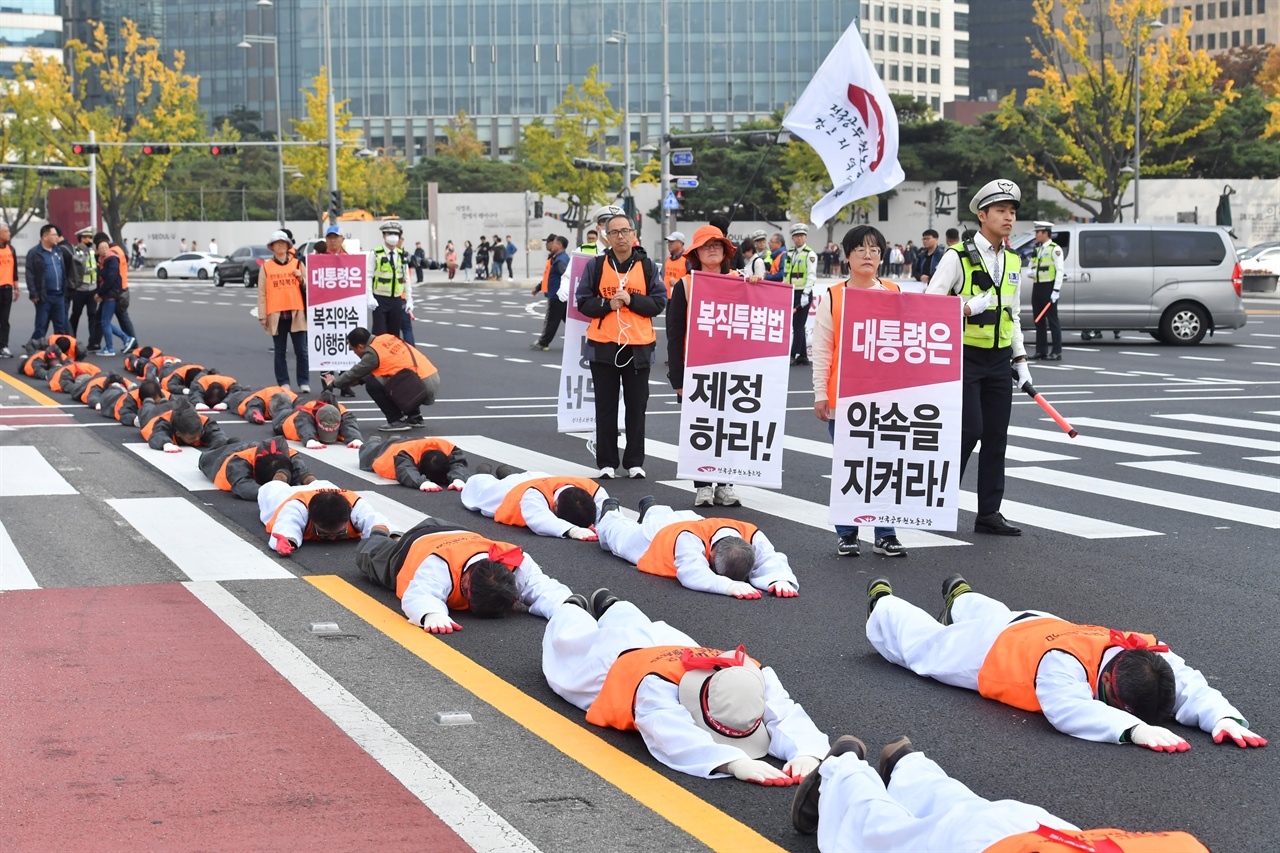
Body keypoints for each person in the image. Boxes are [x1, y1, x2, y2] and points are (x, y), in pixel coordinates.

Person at [863, 574, 1266, 751]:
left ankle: (962, 599)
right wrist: (1133, 730)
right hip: (992, 648)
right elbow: (1066, 709)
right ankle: (885, 605)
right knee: (926, 649)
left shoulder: (1147, 651)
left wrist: (1222, 718)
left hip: (1036, 623)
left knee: (997, 611)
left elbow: (1188, 683)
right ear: (1109, 685)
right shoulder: (1063, 665)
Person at [543, 594, 829, 782]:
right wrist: (731, 761)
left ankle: (613, 605)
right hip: (616, 658)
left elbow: (784, 711)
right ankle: (572, 606)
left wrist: (805, 751)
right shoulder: (655, 686)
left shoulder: (751, 674)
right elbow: (669, 734)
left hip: (670, 642)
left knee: (638, 623)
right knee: (569, 648)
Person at [789, 734, 1211, 853]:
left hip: (1045, 830)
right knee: (879, 833)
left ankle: (907, 766)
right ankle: (843, 768)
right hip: (988, 844)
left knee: (963, 807)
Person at [925, 180, 1031, 536]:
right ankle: (937, 502)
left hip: (1000, 360)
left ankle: (989, 513)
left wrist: (1021, 361)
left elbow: (1012, 314)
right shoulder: (957, 256)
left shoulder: (1014, 259)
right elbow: (929, 304)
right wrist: (966, 307)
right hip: (965, 358)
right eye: (1001, 211)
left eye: (1012, 212)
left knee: (996, 436)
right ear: (982, 215)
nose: (1009, 218)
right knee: (970, 429)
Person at [811, 225, 909, 559]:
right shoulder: (834, 296)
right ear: (847, 255)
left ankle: (885, 533)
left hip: (887, 401)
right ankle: (847, 533)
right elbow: (823, 349)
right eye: (861, 250)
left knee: (886, 467)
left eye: (875, 250)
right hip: (845, 400)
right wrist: (819, 393)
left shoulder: (895, 292)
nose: (868, 256)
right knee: (850, 467)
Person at [575, 213, 668, 479]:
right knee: (605, 407)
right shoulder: (596, 266)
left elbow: (659, 303)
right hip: (603, 345)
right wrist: (608, 305)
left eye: (625, 231)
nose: (621, 236)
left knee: (636, 406)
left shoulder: (648, 266)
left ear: (634, 233)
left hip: (639, 345)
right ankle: (606, 462)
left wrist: (631, 301)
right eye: (614, 232)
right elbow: (583, 302)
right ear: (606, 236)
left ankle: (635, 462)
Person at [356, 519, 573, 633]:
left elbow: (544, 587)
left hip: (455, 530)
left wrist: (566, 607)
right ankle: (381, 534)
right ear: (467, 581)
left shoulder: (516, 562)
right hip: (412, 547)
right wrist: (432, 614)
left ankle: (391, 536)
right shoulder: (440, 566)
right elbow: (419, 594)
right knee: (367, 556)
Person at [665, 224, 749, 507]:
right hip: (697, 370)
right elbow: (675, 333)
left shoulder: (741, 281)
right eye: (706, 245)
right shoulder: (686, 285)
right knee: (700, 427)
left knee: (729, 426)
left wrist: (759, 283)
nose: (712, 249)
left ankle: (725, 483)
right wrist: (677, 378)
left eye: (718, 244)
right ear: (695, 253)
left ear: (726, 251)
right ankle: (702, 484)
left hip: (734, 368)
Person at [596, 497, 799, 598]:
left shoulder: (751, 533)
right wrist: (727, 586)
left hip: (690, 519)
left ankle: (652, 507)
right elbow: (692, 572)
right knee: (618, 536)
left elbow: (770, 557)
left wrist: (779, 579)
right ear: (709, 553)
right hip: (657, 535)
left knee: (666, 514)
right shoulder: (688, 540)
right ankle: (610, 511)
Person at [322, 327, 439, 432]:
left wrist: (333, 383)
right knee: (396, 377)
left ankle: (396, 420)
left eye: (354, 350)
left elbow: (356, 371)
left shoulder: (372, 352)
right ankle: (415, 417)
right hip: (431, 378)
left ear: (361, 346)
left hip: (420, 386)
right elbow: (385, 367)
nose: (355, 353)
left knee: (373, 385)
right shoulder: (386, 338)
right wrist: (360, 380)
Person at [461, 466, 607, 540]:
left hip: (539, 477)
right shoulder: (534, 496)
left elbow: (608, 510)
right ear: (555, 505)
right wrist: (572, 530)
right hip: (509, 490)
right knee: (480, 487)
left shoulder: (592, 487)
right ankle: (483, 470)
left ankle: (506, 471)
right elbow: (540, 520)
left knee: (513, 476)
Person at [259, 474, 390, 556]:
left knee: (322, 484)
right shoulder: (296, 507)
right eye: (324, 534)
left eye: (339, 533)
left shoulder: (354, 504)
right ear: (310, 518)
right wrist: (287, 540)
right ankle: (281, 475)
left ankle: (308, 477)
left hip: (323, 489)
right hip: (284, 496)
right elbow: (287, 524)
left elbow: (375, 520)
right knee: (271, 488)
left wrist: (380, 538)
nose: (332, 539)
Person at [256, 230, 310, 392]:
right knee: (280, 352)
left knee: (302, 350)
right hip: (276, 314)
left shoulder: (298, 264)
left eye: (283, 243)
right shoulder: (266, 267)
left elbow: (309, 287)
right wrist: (262, 316)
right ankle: (283, 382)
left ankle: (303, 381)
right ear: (272, 247)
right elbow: (262, 293)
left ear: (288, 246)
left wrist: (301, 277)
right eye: (276, 243)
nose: (280, 245)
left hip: (296, 312)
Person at [198, 438, 312, 501]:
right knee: (212, 451)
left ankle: (235, 441)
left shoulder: (289, 454)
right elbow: (244, 487)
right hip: (220, 456)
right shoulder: (237, 463)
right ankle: (226, 441)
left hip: (257, 448)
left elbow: (303, 473)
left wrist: (314, 484)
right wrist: (277, 492)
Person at [767, 224, 816, 366]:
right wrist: (784, 290)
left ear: (805, 237)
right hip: (792, 291)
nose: (799, 238)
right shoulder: (790, 254)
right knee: (796, 325)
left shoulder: (810, 254)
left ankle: (793, 354)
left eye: (801, 235)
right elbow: (786, 274)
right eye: (796, 236)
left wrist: (806, 293)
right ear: (793, 238)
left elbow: (811, 275)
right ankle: (803, 357)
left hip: (803, 292)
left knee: (799, 325)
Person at [357, 435, 468, 491]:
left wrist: (458, 478)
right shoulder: (404, 455)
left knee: (397, 439)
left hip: (415, 441)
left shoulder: (449, 449)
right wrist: (422, 482)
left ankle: (395, 437)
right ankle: (374, 439)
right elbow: (405, 470)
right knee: (368, 449)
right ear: (417, 465)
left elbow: (458, 463)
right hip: (387, 448)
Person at [25, 224, 71, 343]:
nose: (57, 237)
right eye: (54, 235)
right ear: (45, 237)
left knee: (60, 326)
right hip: (44, 296)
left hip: (59, 295)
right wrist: (33, 293)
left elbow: (63, 271)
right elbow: (30, 274)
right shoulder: (34, 253)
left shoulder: (58, 251)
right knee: (41, 325)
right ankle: (36, 352)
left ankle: (60, 353)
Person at [93, 233, 136, 357]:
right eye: (101, 248)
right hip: (116, 291)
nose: (104, 250)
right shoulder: (109, 255)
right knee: (106, 320)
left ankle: (122, 342)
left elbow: (110, 278)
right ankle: (128, 340)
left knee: (107, 321)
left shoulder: (112, 257)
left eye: (105, 247)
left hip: (115, 292)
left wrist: (99, 293)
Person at [1030, 221, 1065, 362]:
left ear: (1045, 233)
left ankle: (1057, 351)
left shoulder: (1055, 249)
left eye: (1038, 232)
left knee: (1053, 320)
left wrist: (1056, 290)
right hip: (1037, 286)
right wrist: (1031, 272)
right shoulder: (1038, 249)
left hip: (1049, 287)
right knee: (1038, 321)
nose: (1036, 235)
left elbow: (1060, 270)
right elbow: (1034, 265)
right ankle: (1041, 350)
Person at [274, 395, 363, 448]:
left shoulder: (341, 411)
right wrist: (309, 439)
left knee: (301, 401)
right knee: (284, 408)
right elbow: (304, 426)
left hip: (310, 406)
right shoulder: (303, 417)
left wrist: (355, 438)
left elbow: (349, 423)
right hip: (286, 417)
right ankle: (283, 399)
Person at [370, 220, 411, 337]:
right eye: (389, 233)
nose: (392, 237)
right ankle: (378, 355)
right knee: (379, 334)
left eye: (395, 234)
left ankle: (392, 356)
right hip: (380, 299)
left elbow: (406, 278)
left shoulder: (402, 254)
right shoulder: (375, 253)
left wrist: (409, 299)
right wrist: (369, 296)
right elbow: (369, 276)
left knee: (394, 336)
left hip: (396, 299)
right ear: (384, 235)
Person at [139, 399, 229, 452]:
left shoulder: (203, 422)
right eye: (192, 438)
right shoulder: (163, 423)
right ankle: (148, 402)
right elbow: (158, 434)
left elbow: (216, 433)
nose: (197, 439)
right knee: (146, 411)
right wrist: (166, 443)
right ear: (178, 433)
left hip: (177, 408)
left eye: (200, 434)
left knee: (175, 402)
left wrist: (219, 444)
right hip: (155, 414)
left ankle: (165, 400)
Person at [530, 234, 570, 351]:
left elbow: (566, 276)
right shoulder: (556, 258)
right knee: (568, 320)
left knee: (552, 320)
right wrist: (538, 288)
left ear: (559, 245)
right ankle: (581, 339)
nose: (552, 245)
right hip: (558, 294)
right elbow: (548, 276)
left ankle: (543, 343)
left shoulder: (561, 260)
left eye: (554, 243)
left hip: (558, 295)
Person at [68, 228, 102, 352]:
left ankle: (93, 342)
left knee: (92, 315)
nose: (90, 240)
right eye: (88, 238)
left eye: (91, 237)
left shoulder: (93, 252)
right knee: (75, 315)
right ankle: (72, 340)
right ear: (82, 239)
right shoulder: (75, 252)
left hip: (92, 289)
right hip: (79, 290)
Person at [223, 384, 296, 424]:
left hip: (266, 389)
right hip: (244, 397)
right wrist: (255, 415)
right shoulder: (259, 400)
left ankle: (249, 389)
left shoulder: (293, 397)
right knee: (234, 396)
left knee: (259, 388)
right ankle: (243, 389)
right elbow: (252, 407)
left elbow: (303, 404)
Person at [0, 224, 16, 358]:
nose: (8, 233)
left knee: (5, 320)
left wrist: (16, 287)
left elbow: (14, 269)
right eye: (6, 231)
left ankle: (3, 346)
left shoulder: (11, 249)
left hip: (7, 288)